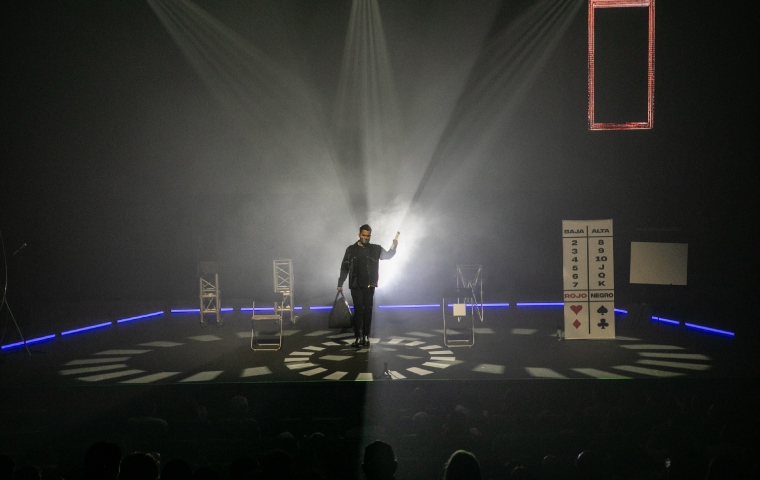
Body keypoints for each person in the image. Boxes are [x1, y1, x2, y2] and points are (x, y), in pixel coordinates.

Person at [338, 224, 397, 347]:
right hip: (356, 285)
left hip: (369, 285)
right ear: (359, 235)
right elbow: (345, 267)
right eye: (363, 235)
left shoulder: (375, 249)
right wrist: (340, 283)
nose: (366, 238)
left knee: (368, 311)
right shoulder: (351, 249)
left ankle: (365, 336)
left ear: (370, 236)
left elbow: (387, 256)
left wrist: (394, 246)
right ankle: (358, 337)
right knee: (359, 311)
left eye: (368, 236)